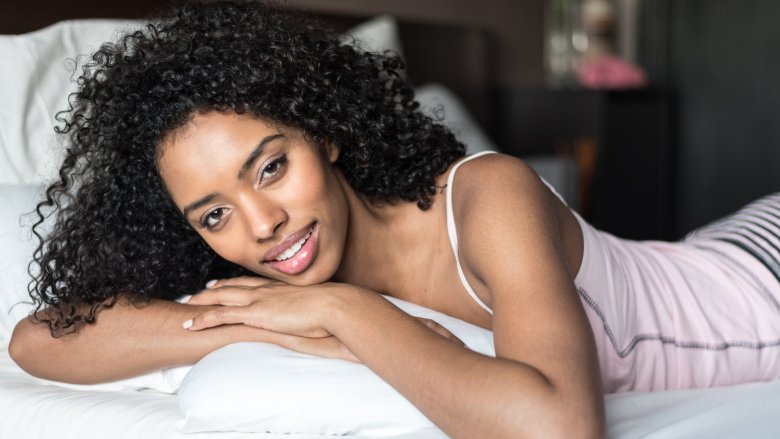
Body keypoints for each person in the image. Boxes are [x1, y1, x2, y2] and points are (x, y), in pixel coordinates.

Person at [8, 1, 780, 437]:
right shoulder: (256, 268)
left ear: (328, 132)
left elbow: (558, 428)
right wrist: (266, 324)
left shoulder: (488, 196)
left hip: (757, 284)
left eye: (272, 165)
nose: (263, 222)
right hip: (713, 247)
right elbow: (35, 339)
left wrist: (346, 310)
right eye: (214, 212)